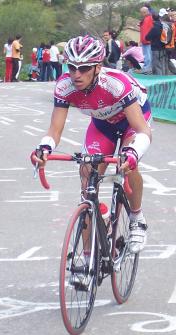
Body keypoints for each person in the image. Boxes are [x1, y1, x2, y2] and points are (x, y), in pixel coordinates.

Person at [32, 36, 152, 254]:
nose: (76, 74)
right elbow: (54, 130)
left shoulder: (116, 83)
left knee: (127, 163)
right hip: (102, 123)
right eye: (72, 67)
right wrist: (44, 148)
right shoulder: (65, 86)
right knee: (87, 176)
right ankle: (88, 260)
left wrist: (133, 153)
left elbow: (143, 131)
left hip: (132, 120)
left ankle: (137, 218)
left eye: (84, 68)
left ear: (97, 67)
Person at [145, 11, 168, 75]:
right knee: (163, 65)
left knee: (156, 66)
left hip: (156, 48)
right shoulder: (163, 26)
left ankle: (158, 80)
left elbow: (147, 37)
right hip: (164, 47)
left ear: (152, 19)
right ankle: (164, 79)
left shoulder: (155, 27)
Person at [139, 7, 153, 73]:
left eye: (141, 13)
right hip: (145, 40)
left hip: (147, 41)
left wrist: (145, 40)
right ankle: (147, 67)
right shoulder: (146, 19)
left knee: (148, 55)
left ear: (144, 12)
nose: (141, 14)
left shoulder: (149, 19)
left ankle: (147, 68)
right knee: (146, 55)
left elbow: (147, 30)